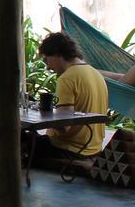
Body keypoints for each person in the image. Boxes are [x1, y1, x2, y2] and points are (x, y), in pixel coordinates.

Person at [36, 32, 108, 160]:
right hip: (94, 150)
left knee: (21, 139)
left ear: (57, 54)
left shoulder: (67, 78)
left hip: (69, 151)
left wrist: (44, 113)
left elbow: (64, 127)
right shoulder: (96, 74)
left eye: (47, 59)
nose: (47, 66)